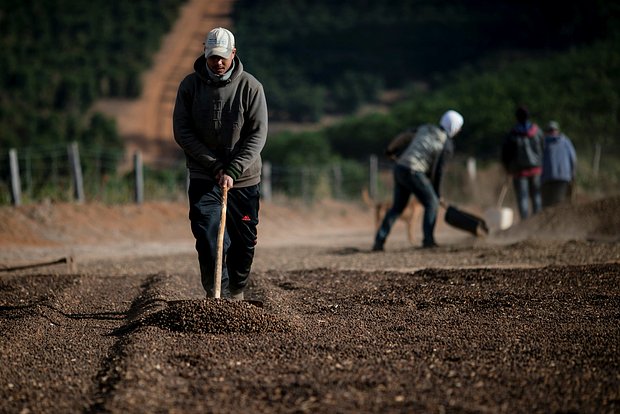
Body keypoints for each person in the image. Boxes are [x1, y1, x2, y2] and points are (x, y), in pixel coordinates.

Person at [173, 27, 268, 300]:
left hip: (245, 178)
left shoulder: (251, 87)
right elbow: (183, 132)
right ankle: (217, 293)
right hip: (205, 175)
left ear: (233, 54)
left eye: (222, 57)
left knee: (244, 242)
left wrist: (234, 169)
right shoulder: (189, 87)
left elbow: (257, 134)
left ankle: (236, 289)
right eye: (212, 56)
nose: (217, 62)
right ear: (205, 53)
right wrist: (214, 166)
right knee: (208, 235)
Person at [372, 110, 464, 251]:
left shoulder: (425, 128)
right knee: (432, 203)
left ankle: (379, 241)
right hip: (413, 171)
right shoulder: (447, 144)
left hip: (400, 168)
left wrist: (390, 150)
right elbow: (438, 171)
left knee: (397, 207)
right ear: (455, 127)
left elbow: (403, 137)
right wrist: (437, 194)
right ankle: (428, 241)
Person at [501, 106, 544, 220]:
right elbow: (543, 148)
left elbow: (506, 153)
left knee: (523, 198)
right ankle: (537, 221)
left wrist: (507, 168)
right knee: (537, 196)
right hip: (536, 170)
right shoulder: (537, 131)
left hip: (520, 172)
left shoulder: (513, 134)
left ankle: (525, 223)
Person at [541, 121, 577, 208]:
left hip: (547, 177)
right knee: (559, 202)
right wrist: (573, 175)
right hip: (563, 176)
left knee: (547, 205)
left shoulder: (543, 143)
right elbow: (573, 159)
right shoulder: (566, 141)